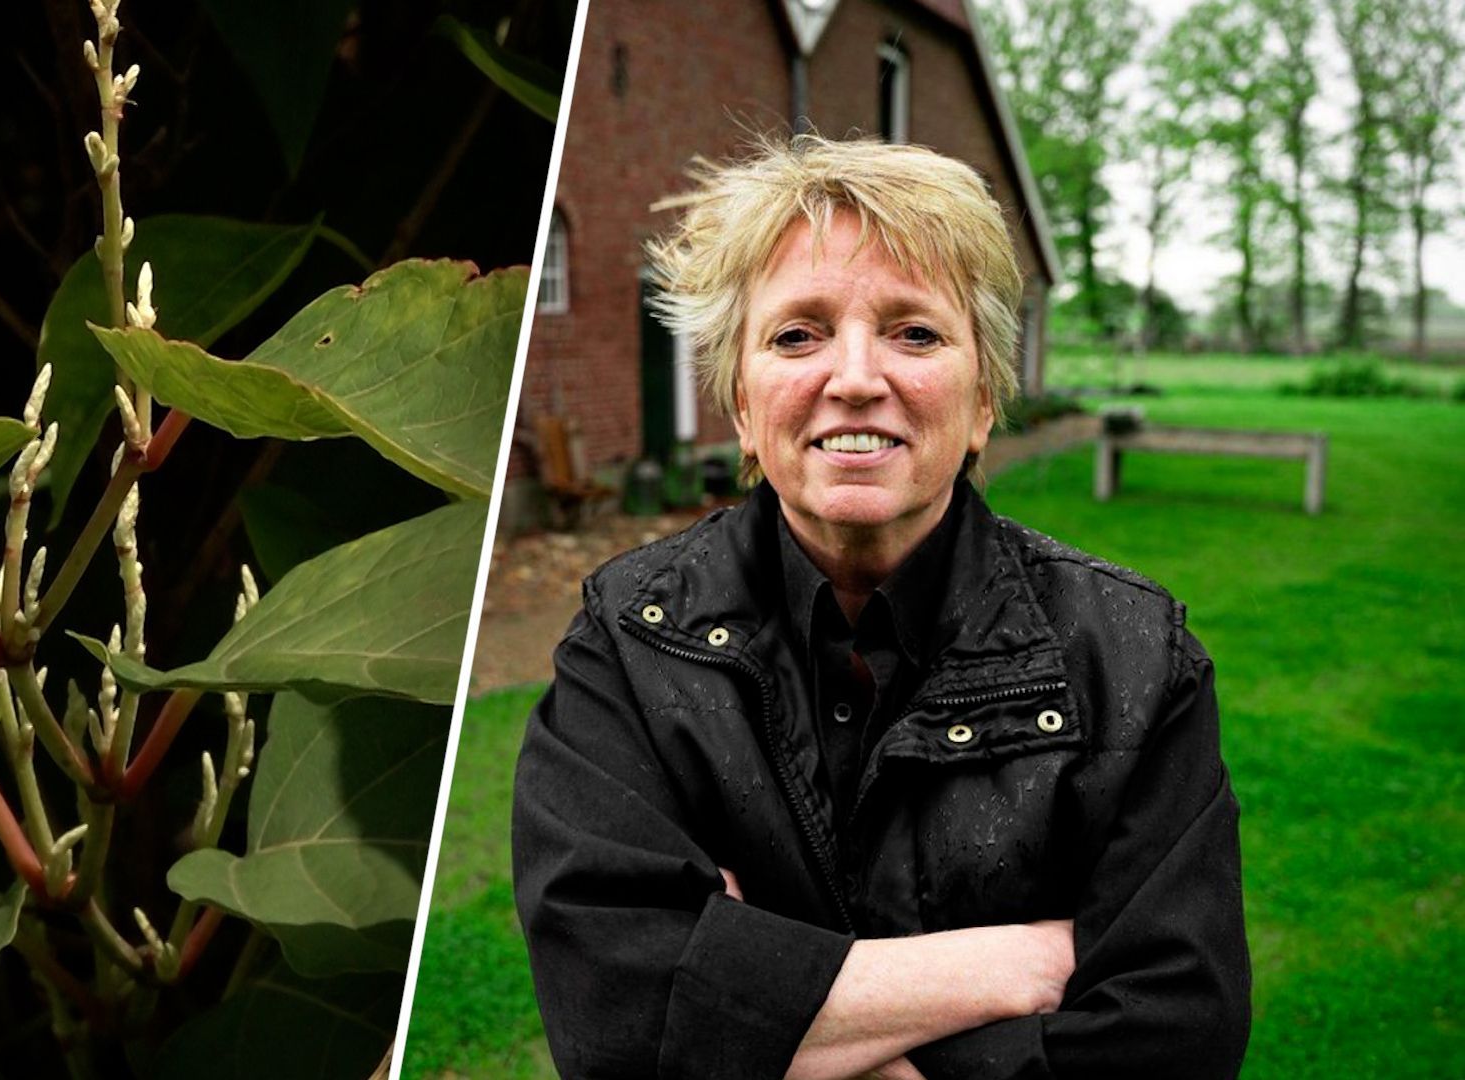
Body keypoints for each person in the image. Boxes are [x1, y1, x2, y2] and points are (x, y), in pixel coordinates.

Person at [511, 136, 1252, 1080]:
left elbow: (1178, 1039)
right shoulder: (627, 642)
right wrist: (1015, 966)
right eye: (796, 334)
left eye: (914, 333)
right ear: (741, 402)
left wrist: (744, 999)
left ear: (984, 397)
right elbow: (618, 1024)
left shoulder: (1135, 661)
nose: (855, 377)